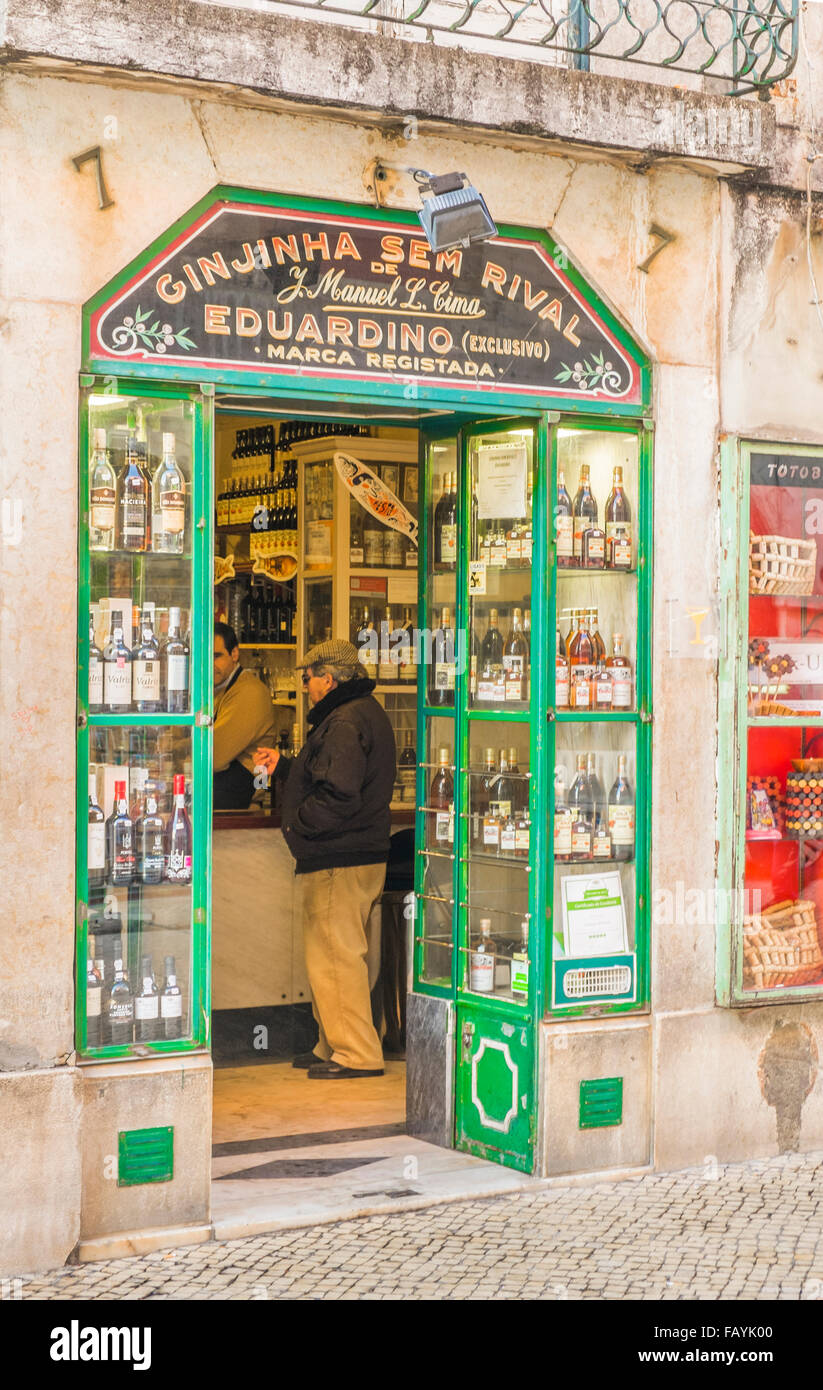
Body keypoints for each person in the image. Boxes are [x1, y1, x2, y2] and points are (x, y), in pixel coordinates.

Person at [255, 638, 396, 1079]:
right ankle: (331, 1044)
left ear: (328, 678)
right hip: (354, 852)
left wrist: (299, 823)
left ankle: (356, 1053)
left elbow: (338, 792)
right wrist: (287, 767)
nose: (304, 685)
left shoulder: (344, 721)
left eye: (308, 677)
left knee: (335, 957)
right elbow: (330, 772)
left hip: (339, 855)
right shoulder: (359, 713)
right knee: (331, 955)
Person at [213, 621, 277, 810]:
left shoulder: (250, 692)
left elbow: (214, 755)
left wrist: (178, 750)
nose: (210, 663)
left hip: (243, 801)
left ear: (234, 653)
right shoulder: (219, 689)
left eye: (217, 656)